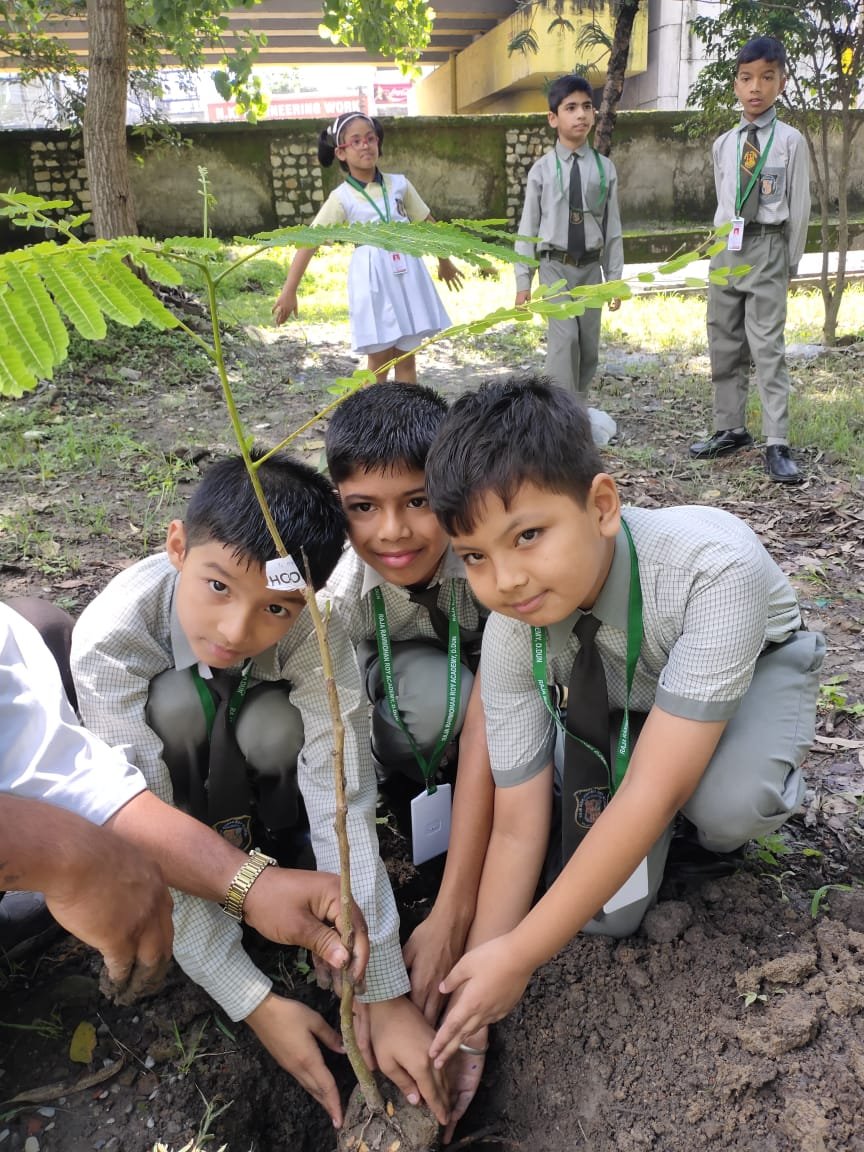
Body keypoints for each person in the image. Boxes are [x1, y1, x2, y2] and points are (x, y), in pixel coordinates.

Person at [421, 377, 824, 1068]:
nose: (506, 580)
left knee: (728, 804)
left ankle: (701, 800)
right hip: (617, 688)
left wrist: (522, 955)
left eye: (528, 536)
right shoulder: (516, 624)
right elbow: (515, 825)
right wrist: (476, 992)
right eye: (477, 557)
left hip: (752, 667)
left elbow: (652, 794)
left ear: (602, 506)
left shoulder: (713, 572)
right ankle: (635, 760)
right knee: (614, 914)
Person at [68, 451, 449, 1130]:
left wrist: (383, 987)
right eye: (217, 587)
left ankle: (278, 844)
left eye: (275, 607)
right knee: (175, 706)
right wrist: (252, 998)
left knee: (276, 724)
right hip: (173, 799)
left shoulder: (313, 628)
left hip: (259, 771)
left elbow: (342, 794)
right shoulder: (111, 641)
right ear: (177, 546)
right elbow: (140, 821)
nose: (237, 630)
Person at [1, 602, 366, 1037]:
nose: (236, 630)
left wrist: (251, 885)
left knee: (42, 626)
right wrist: (68, 860)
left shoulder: (11, 641)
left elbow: (70, 781)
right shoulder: (116, 632)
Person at [323, 382, 495, 1141]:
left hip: (509, 698)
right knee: (424, 701)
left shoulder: (490, 552)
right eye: (363, 507)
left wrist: (456, 910)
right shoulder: (340, 597)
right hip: (413, 703)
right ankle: (421, 788)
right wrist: (374, 973)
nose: (392, 531)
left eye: (419, 501)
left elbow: (503, 703)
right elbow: (334, 767)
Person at [690, 35, 810, 484]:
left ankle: (777, 441)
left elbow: (800, 207)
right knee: (723, 340)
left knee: (766, 346)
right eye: (746, 78)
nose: (755, 87)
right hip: (728, 248)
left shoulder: (790, 141)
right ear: (736, 84)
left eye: (766, 77)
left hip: (768, 246)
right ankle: (730, 428)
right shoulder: (725, 143)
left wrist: (790, 263)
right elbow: (725, 200)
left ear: (782, 82)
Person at [273, 112, 463, 383]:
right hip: (373, 280)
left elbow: (427, 223)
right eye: (356, 141)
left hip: (407, 273)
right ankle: (366, 411)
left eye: (370, 138)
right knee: (379, 359)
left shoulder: (399, 184)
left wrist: (444, 261)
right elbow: (310, 242)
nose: (365, 145)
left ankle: (408, 411)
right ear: (341, 152)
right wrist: (289, 290)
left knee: (407, 357)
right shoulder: (341, 197)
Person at [514, 75, 623, 402]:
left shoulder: (605, 169)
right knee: (565, 342)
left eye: (587, 107)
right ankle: (560, 415)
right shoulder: (542, 170)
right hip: (554, 267)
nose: (581, 115)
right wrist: (523, 281)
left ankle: (576, 410)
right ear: (553, 118)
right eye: (571, 108)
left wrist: (614, 278)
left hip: (590, 270)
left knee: (588, 349)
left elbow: (612, 227)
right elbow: (528, 227)